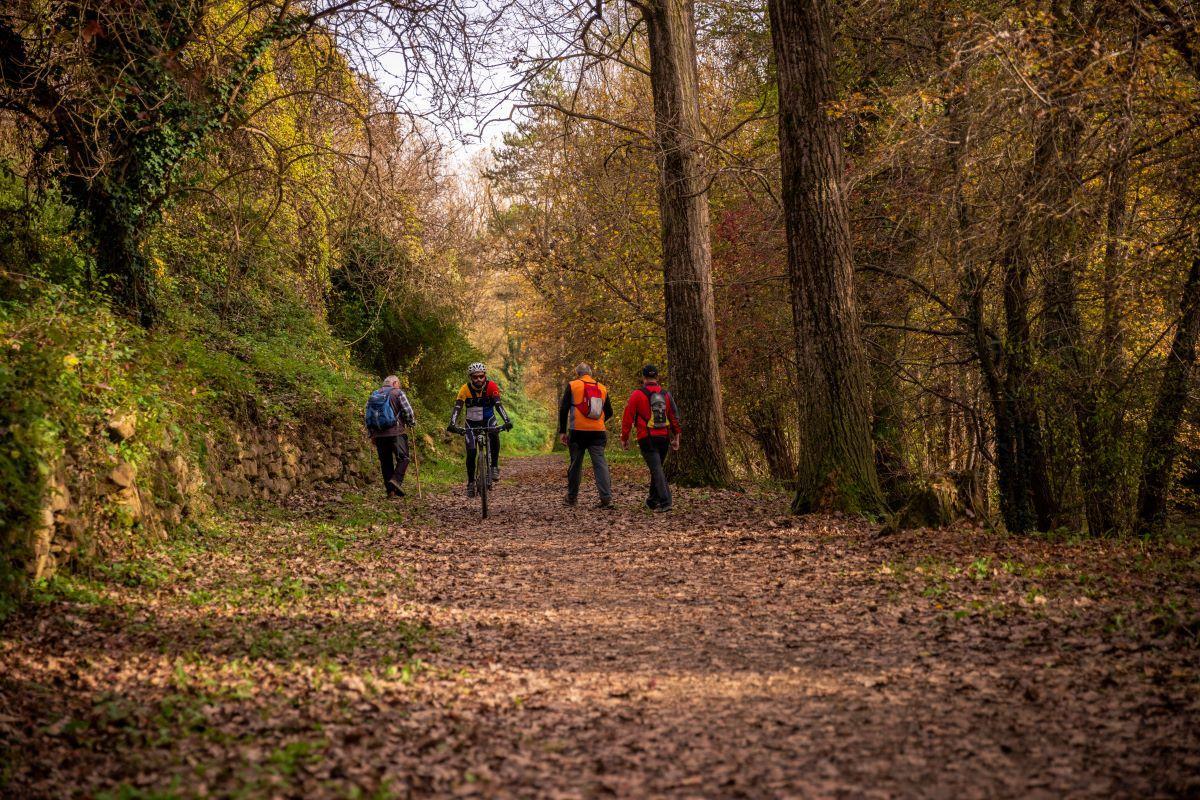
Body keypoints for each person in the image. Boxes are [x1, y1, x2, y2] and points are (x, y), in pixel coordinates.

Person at [446, 362, 513, 497]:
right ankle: (471, 483)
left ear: (485, 376)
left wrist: (506, 421)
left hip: (488, 420)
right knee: (471, 453)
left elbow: (498, 405)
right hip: (471, 423)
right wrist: (452, 423)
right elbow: (458, 407)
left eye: (481, 376)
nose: (478, 380)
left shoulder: (491, 386)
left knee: (494, 434)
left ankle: (494, 466)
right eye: (475, 377)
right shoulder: (464, 389)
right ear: (470, 378)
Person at [621, 364, 681, 512]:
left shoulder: (637, 394)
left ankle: (666, 501)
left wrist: (625, 437)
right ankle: (652, 501)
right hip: (664, 437)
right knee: (657, 469)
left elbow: (628, 417)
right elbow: (674, 417)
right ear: (657, 377)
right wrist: (677, 437)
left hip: (646, 438)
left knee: (656, 470)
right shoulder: (666, 394)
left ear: (644, 377)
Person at [558, 363, 615, 508]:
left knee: (576, 464)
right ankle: (606, 498)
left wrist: (563, 431)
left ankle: (572, 498)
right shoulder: (602, 388)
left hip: (577, 431)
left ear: (578, 373)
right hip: (598, 432)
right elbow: (609, 412)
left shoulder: (573, 385)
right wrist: (599, 421)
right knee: (600, 464)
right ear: (590, 373)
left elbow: (564, 409)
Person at [364, 375, 416, 498]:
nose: (399, 386)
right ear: (395, 383)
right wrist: (411, 422)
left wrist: (371, 434)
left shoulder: (374, 394)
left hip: (379, 434)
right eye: (399, 384)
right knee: (403, 458)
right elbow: (408, 411)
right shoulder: (398, 393)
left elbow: (367, 415)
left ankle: (390, 491)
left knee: (386, 462)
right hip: (396, 432)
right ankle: (396, 481)